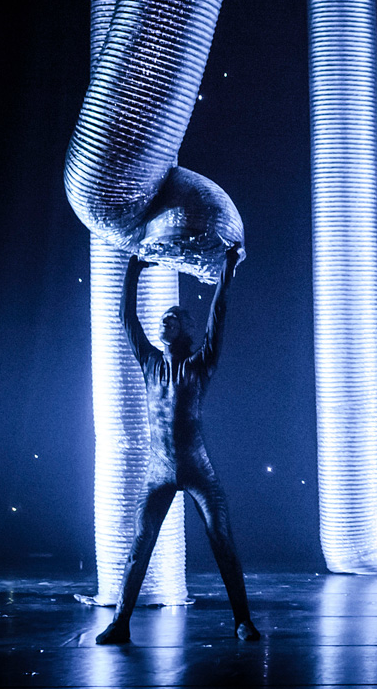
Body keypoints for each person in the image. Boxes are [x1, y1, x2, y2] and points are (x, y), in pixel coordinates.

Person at [96, 245, 259, 644]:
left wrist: (228, 267)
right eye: (163, 318)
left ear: (185, 328)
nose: (164, 322)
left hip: (196, 466)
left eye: (173, 318)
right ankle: (120, 623)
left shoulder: (200, 362)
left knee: (222, 540)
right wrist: (133, 270)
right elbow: (126, 318)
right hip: (159, 469)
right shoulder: (150, 362)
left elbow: (218, 316)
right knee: (140, 544)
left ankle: (243, 620)